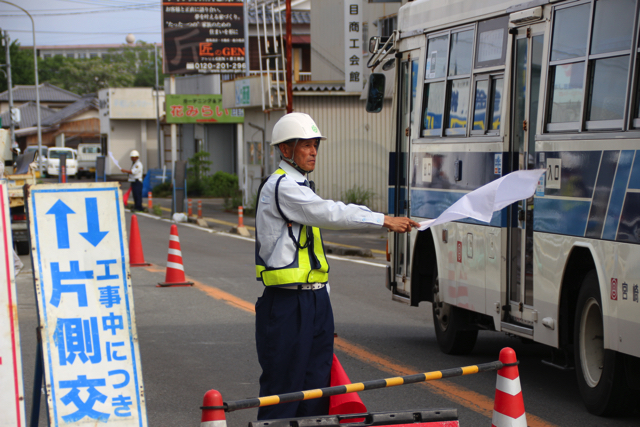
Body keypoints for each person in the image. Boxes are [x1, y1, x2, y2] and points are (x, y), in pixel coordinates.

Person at [254, 113, 419, 420]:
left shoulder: (302, 187)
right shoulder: (282, 187)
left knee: (318, 390)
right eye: (306, 145)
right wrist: (381, 219)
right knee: (285, 392)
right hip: (287, 304)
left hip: (313, 303)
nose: (314, 151)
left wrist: (323, 308)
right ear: (286, 150)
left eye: (315, 144)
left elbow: (312, 257)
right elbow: (330, 213)